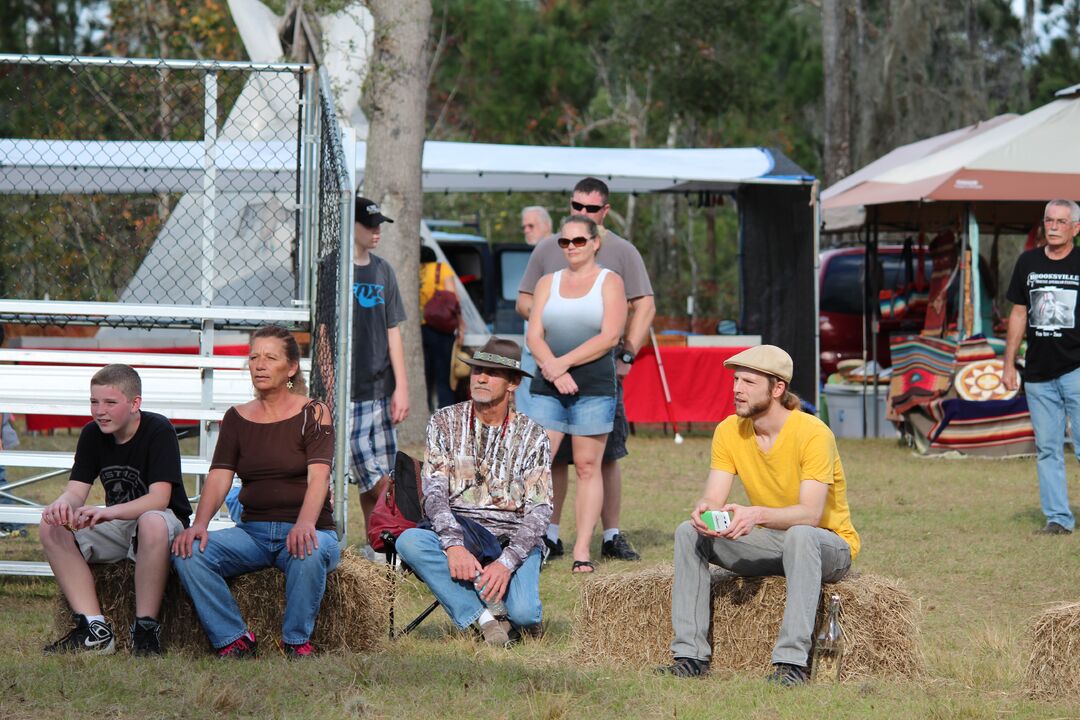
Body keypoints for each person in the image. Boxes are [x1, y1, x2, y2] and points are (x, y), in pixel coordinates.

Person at [659, 345, 859, 685]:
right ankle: (690, 657)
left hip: (828, 545)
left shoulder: (813, 433)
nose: (736, 388)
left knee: (800, 535)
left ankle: (791, 664)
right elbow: (713, 498)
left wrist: (755, 515)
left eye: (748, 382)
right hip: (774, 544)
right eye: (735, 379)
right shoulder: (728, 430)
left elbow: (810, 515)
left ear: (777, 388)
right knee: (688, 532)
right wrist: (706, 514)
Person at [172, 325, 339, 658]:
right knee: (187, 552)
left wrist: (306, 524)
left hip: (309, 528)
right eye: (254, 357)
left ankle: (295, 642)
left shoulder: (314, 412)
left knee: (309, 549)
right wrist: (200, 524)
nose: (260, 364)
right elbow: (220, 477)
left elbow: (319, 477)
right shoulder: (236, 417)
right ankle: (233, 638)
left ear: (291, 367)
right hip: (252, 533)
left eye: (270, 357)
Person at [516, 177, 656, 562]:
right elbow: (526, 304)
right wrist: (552, 341)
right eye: (577, 206)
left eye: (591, 210)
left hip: (598, 375)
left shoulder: (622, 253)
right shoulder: (547, 250)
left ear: (604, 214)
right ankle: (547, 536)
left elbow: (642, 306)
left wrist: (628, 354)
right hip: (548, 368)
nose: (581, 215)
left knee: (603, 456)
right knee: (547, 458)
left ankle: (609, 535)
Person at [395, 336, 552, 647]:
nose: (481, 377)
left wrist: (506, 563)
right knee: (410, 541)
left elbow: (540, 509)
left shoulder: (533, 435)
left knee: (525, 615)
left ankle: (511, 614)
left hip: (512, 537)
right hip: (461, 530)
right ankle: (486, 619)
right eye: (477, 369)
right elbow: (434, 493)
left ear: (514, 383)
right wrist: (453, 546)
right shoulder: (445, 421)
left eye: (492, 373)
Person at [39, 364, 191, 655]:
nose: (100, 411)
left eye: (110, 402)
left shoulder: (158, 430)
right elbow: (76, 491)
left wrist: (108, 512)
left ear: (135, 403)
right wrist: (62, 504)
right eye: (94, 402)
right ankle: (94, 629)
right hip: (122, 525)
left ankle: (146, 630)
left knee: (151, 522)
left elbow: (159, 498)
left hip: (163, 524)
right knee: (51, 526)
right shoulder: (92, 434)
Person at [526, 215, 626, 573]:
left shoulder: (609, 282)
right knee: (539, 465)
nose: (571, 247)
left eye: (579, 241)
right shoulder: (546, 283)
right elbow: (534, 334)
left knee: (587, 466)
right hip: (547, 388)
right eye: (565, 242)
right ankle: (533, 541)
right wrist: (552, 368)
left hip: (594, 388)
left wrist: (561, 364)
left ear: (595, 242)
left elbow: (610, 336)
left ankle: (582, 549)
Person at [1004, 199, 1080, 535]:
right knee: (1048, 449)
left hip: (1077, 368)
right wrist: (1009, 364)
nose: (1053, 226)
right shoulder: (1027, 263)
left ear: (1075, 228)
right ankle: (1058, 519)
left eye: (1062, 221)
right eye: (1049, 220)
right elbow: (1019, 313)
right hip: (1037, 374)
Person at [348, 196, 409, 546]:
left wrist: (401, 387)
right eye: (369, 225)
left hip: (380, 391)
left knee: (385, 474)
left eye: (378, 225)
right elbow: (324, 332)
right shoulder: (333, 268)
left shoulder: (383, 270)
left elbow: (393, 330)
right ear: (351, 226)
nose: (376, 232)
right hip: (349, 393)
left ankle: (378, 544)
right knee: (372, 478)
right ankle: (388, 539)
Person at [420, 244, 464, 410]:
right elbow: (454, 299)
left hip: (419, 330)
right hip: (441, 328)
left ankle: (425, 409)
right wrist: (461, 326)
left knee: (425, 375)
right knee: (443, 377)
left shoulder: (412, 271)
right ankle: (446, 413)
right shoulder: (441, 268)